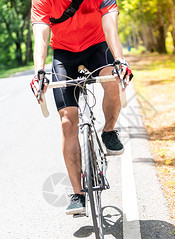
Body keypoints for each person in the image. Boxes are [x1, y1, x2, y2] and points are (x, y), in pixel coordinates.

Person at [30, 0, 133, 215]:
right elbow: (40, 34)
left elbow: (110, 26)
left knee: (113, 80)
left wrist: (120, 61)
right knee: (68, 123)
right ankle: (78, 194)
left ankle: (108, 131)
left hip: (97, 47)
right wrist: (39, 72)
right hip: (64, 54)